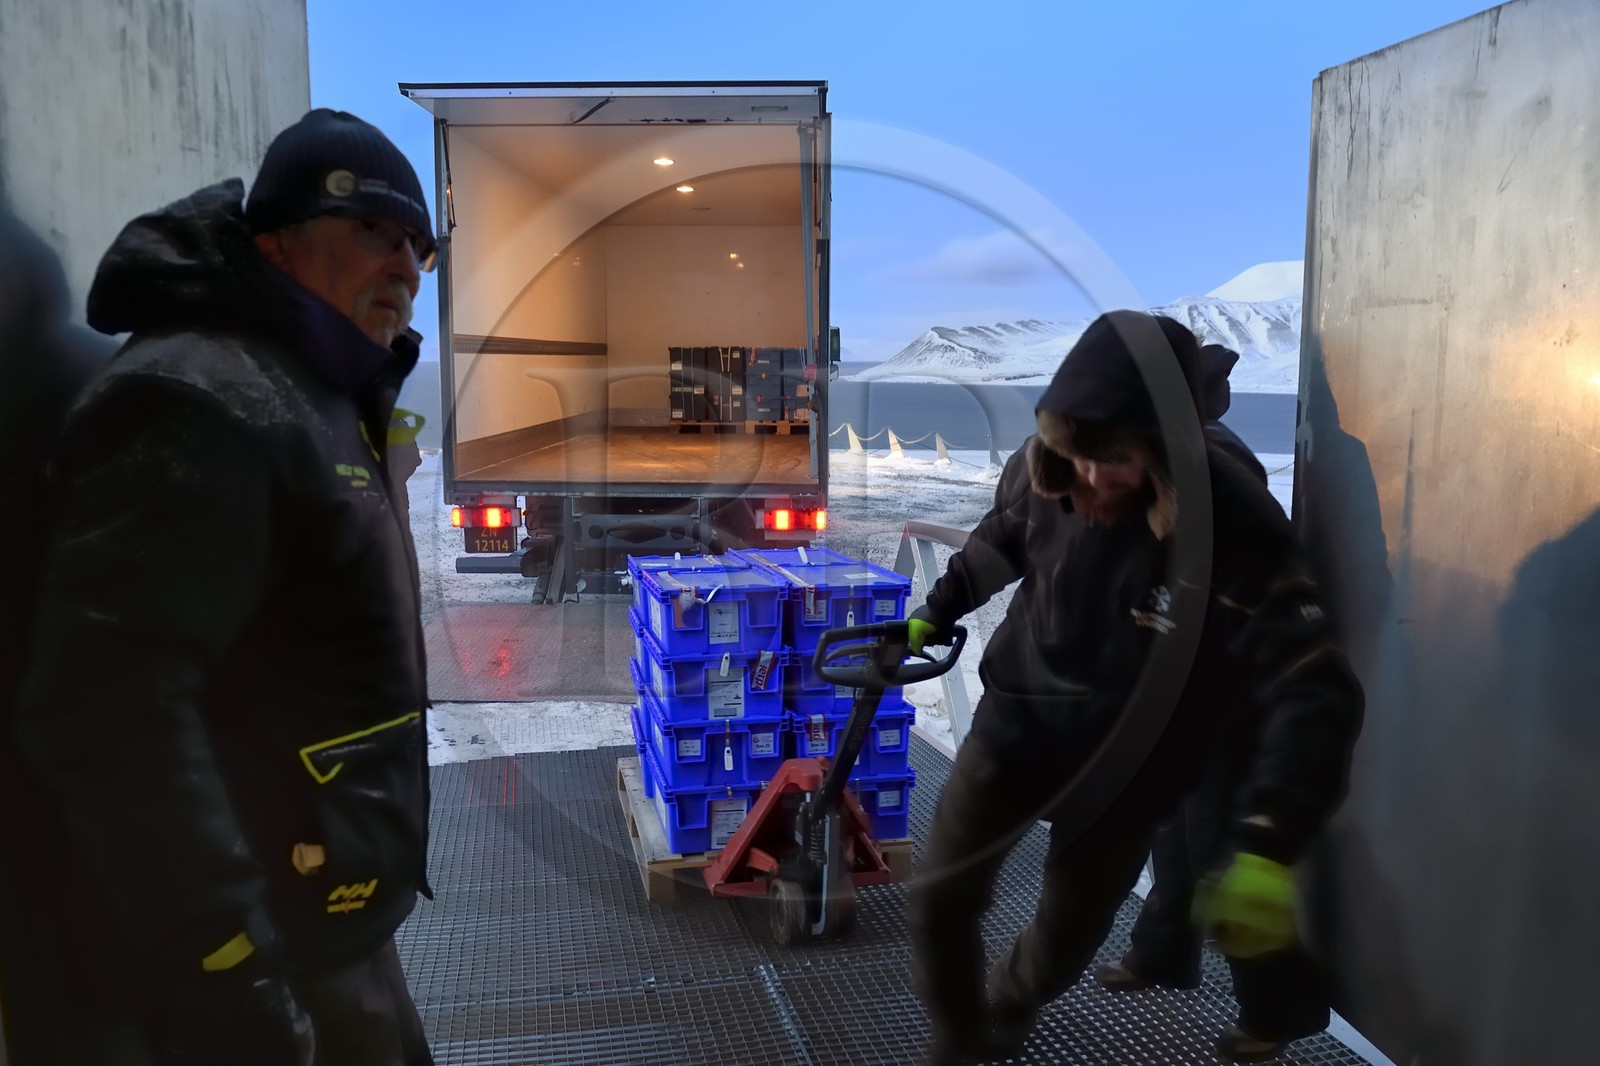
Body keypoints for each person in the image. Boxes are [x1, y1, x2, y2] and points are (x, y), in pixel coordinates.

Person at [16, 109, 439, 1066]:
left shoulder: (314, 390)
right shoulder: (199, 401)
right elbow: (103, 709)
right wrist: (226, 960)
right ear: (276, 242)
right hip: (264, 953)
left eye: (420, 246)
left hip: (326, 922)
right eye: (373, 230)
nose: (407, 268)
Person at [906, 312, 1363, 1065]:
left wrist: (1268, 842)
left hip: (1133, 767)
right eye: (1076, 453)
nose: (1088, 478)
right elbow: (1001, 542)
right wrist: (936, 609)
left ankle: (1013, 1001)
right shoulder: (1040, 468)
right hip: (1016, 724)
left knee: (1062, 945)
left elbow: (1317, 686)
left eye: (1114, 459)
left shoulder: (1233, 515)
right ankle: (959, 1044)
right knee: (938, 901)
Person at [1091, 341, 1330, 1061]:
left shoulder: (1218, 469)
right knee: (1169, 826)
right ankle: (1163, 952)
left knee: (1223, 848)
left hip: (1228, 680)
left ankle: (1279, 1009)